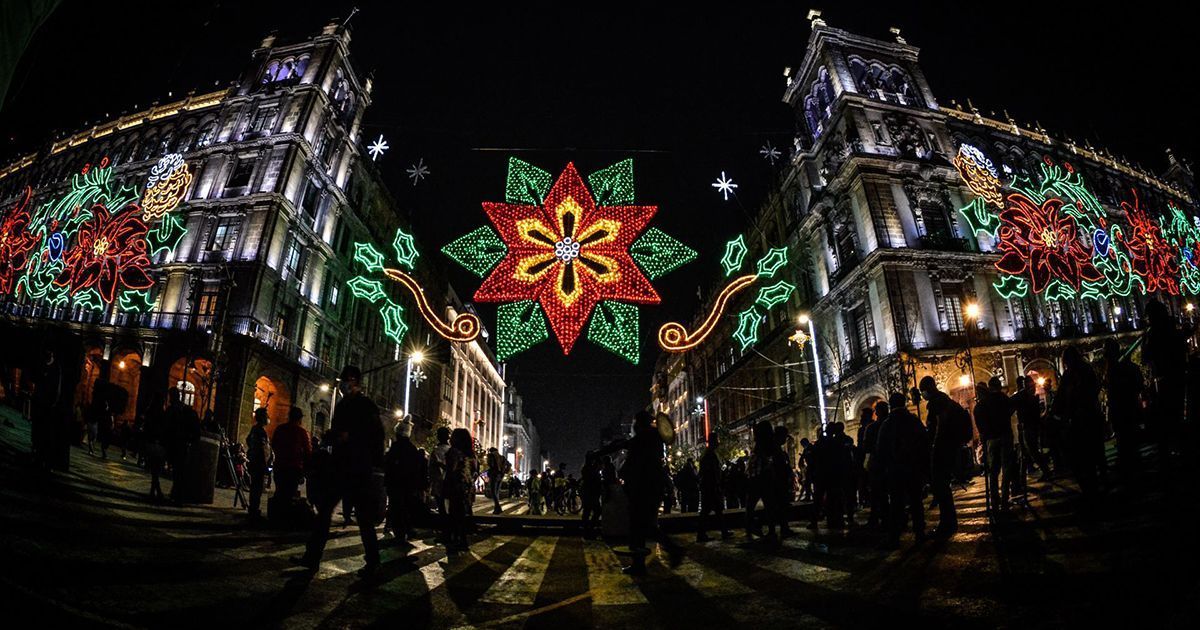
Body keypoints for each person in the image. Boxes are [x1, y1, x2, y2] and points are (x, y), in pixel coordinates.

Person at [296, 365, 386, 578]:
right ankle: (312, 556)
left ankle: (373, 561)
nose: (343, 384)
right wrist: (332, 436)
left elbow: (376, 435)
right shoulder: (344, 403)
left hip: (357, 467)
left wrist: (352, 439)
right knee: (325, 511)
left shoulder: (365, 405)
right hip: (341, 466)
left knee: (363, 518)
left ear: (354, 381)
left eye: (346, 380)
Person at [597, 411, 682, 576]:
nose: (634, 426)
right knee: (640, 527)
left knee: (643, 526)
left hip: (645, 489)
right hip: (648, 488)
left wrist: (598, 454)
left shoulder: (645, 438)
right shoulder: (652, 438)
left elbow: (623, 446)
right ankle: (640, 564)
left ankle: (671, 550)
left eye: (636, 422)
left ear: (640, 424)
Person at [919, 375, 971, 539]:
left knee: (940, 486)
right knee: (943, 487)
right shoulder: (944, 399)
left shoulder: (937, 401)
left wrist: (935, 444)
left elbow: (941, 423)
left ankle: (946, 524)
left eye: (922, 392)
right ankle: (949, 522)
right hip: (949, 446)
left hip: (943, 448)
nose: (922, 395)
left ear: (927, 389)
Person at [877, 392, 929, 548]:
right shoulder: (913, 421)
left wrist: (884, 469)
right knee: (916, 501)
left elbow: (881, 450)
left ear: (891, 405)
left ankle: (894, 538)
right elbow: (924, 443)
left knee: (896, 504)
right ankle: (920, 533)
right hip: (913, 468)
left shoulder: (887, 424)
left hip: (895, 470)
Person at [1054, 347, 1105, 499]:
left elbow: (1062, 397)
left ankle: (1091, 487)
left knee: (1082, 456)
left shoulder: (1071, 375)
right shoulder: (1085, 371)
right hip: (1090, 416)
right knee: (1095, 452)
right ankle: (1099, 481)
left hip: (1080, 419)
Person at [1142, 299, 1186, 465]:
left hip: (1165, 381)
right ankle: (1177, 449)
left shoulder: (1156, 334)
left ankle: (1170, 454)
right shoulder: (1173, 331)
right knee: (1175, 417)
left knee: (1167, 419)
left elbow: (1147, 356)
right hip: (1175, 378)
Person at [974, 377, 1015, 514]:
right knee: (1006, 467)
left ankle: (995, 500)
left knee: (994, 470)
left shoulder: (984, 402)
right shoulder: (1004, 398)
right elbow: (1011, 409)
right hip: (1005, 436)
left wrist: (984, 432)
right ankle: (1004, 498)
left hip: (992, 439)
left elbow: (978, 414)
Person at [1104, 339, 1144, 476]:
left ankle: (1130, 464)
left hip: (1124, 406)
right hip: (1122, 406)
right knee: (1124, 436)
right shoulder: (1118, 366)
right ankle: (1129, 461)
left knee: (1126, 435)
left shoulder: (1121, 366)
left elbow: (1137, 383)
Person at [384, 418, 425, 541]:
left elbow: (388, 465)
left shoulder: (396, 448)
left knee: (396, 507)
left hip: (396, 484)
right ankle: (407, 528)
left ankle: (400, 532)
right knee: (406, 507)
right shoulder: (412, 449)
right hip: (408, 484)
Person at [164, 387, 201, 501]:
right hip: (182, 444)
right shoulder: (186, 410)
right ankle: (177, 493)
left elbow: (167, 426)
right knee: (179, 470)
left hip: (178, 444)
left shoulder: (175, 410)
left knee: (178, 471)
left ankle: (178, 494)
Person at [442, 428, 476, 551]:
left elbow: (451, 469)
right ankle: (462, 539)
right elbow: (473, 470)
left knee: (453, 512)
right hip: (466, 487)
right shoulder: (470, 454)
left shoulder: (454, 452)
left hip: (455, 485)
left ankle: (455, 539)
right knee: (461, 513)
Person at [271, 406, 312, 508]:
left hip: (279, 466)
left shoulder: (280, 429)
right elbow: (308, 452)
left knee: (279, 492)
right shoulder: (302, 432)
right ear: (299, 418)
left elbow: (274, 445)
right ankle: (286, 519)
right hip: (294, 468)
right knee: (290, 495)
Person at [1011, 376, 1051, 481]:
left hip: (1028, 427)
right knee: (1028, 451)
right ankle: (1024, 476)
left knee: (1032, 450)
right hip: (1029, 426)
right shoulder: (1029, 396)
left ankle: (1045, 470)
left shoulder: (1023, 396)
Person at [696, 433, 731, 541]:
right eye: (717, 440)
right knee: (708, 511)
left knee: (716, 510)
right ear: (713, 441)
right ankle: (702, 534)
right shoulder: (709, 454)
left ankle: (723, 531)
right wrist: (717, 483)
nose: (718, 442)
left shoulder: (708, 453)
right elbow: (711, 472)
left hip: (709, 486)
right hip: (710, 487)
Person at [864, 400, 889, 529]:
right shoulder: (892, 424)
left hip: (878, 464)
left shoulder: (872, 427)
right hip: (892, 464)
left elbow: (867, 447)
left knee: (877, 493)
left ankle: (876, 518)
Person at [246, 408, 271, 522]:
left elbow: (248, 440)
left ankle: (253, 509)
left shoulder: (254, 429)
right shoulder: (260, 431)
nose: (268, 418)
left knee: (256, 487)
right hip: (259, 463)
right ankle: (254, 511)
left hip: (255, 462)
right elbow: (262, 449)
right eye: (266, 416)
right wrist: (265, 463)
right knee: (257, 488)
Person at [142, 392, 168, 502]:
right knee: (156, 469)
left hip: (150, 442)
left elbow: (146, 427)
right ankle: (157, 491)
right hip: (158, 443)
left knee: (154, 469)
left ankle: (154, 490)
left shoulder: (149, 411)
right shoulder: (161, 413)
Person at [580, 453, 603, 537]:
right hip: (592, 494)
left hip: (588, 493)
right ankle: (589, 529)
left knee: (587, 512)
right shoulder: (592, 470)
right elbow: (596, 482)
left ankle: (587, 530)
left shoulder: (586, 468)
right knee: (596, 511)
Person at [429, 426, 451, 514]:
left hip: (439, 482)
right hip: (449, 483)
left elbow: (431, 469)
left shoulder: (436, 451)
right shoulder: (451, 450)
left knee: (442, 507)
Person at [486, 446, 505, 515]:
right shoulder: (502, 457)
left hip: (494, 474)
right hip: (500, 475)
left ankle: (498, 507)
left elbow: (490, 464)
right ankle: (497, 509)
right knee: (496, 492)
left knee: (493, 491)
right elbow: (508, 465)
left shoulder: (491, 455)